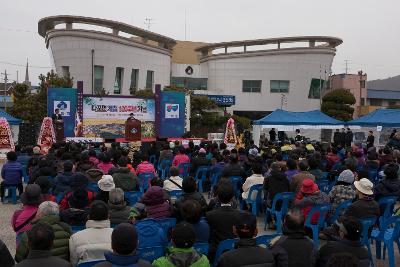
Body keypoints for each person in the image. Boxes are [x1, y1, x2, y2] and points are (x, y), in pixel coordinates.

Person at [69, 200, 113, 265]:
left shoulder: (75, 237)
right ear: (108, 216)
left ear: (88, 217)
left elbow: (74, 262)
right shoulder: (117, 235)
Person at [206, 181, 242, 261]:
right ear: (232, 197)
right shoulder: (240, 215)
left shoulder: (210, 215)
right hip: (235, 250)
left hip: (216, 251)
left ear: (217, 197)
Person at [263, 163, 290, 228]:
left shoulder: (268, 178)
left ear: (271, 169)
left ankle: (271, 222)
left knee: (264, 203)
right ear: (279, 169)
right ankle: (282, 220)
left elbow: (265, 190)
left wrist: (265, 198)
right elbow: (288, 189)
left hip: (273, 203)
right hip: (285, 203)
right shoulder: (285, 178)